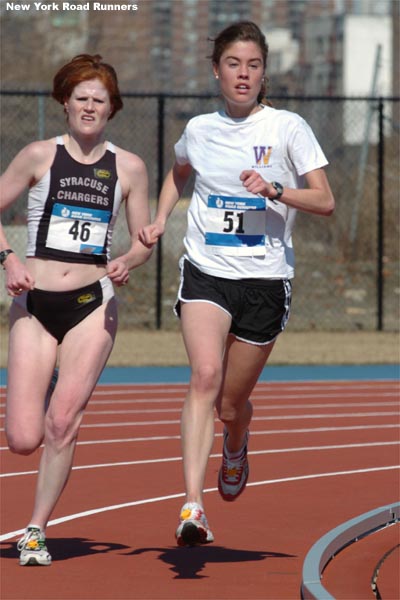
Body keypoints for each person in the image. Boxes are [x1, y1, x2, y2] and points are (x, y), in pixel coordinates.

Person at [139, 20, 335, 547]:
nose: (243, 74)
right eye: (233, 64)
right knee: (204, 375)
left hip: (266, 281)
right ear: (217, 71)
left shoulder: (288, 128)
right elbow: (178, 171)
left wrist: (276, 190)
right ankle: (193, 506)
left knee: (230, 403)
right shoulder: (199, 129)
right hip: (206, 271)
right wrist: (161, 219)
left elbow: (325, 200)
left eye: (252, 65)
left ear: (264, 72)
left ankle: (237, 440)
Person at [0, 54, 153, 565]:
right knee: (24, 437)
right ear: (65, 102)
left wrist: (129, 259)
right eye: (82, 98)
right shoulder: (39, 155)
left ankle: (36, 531)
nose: (90, 107)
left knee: (63, 422)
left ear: (113, 108)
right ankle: (42, 384)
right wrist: (7, 258)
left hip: (93, 304)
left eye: (100, 100)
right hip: (34, 302)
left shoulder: (128, 166)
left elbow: (142, 240)